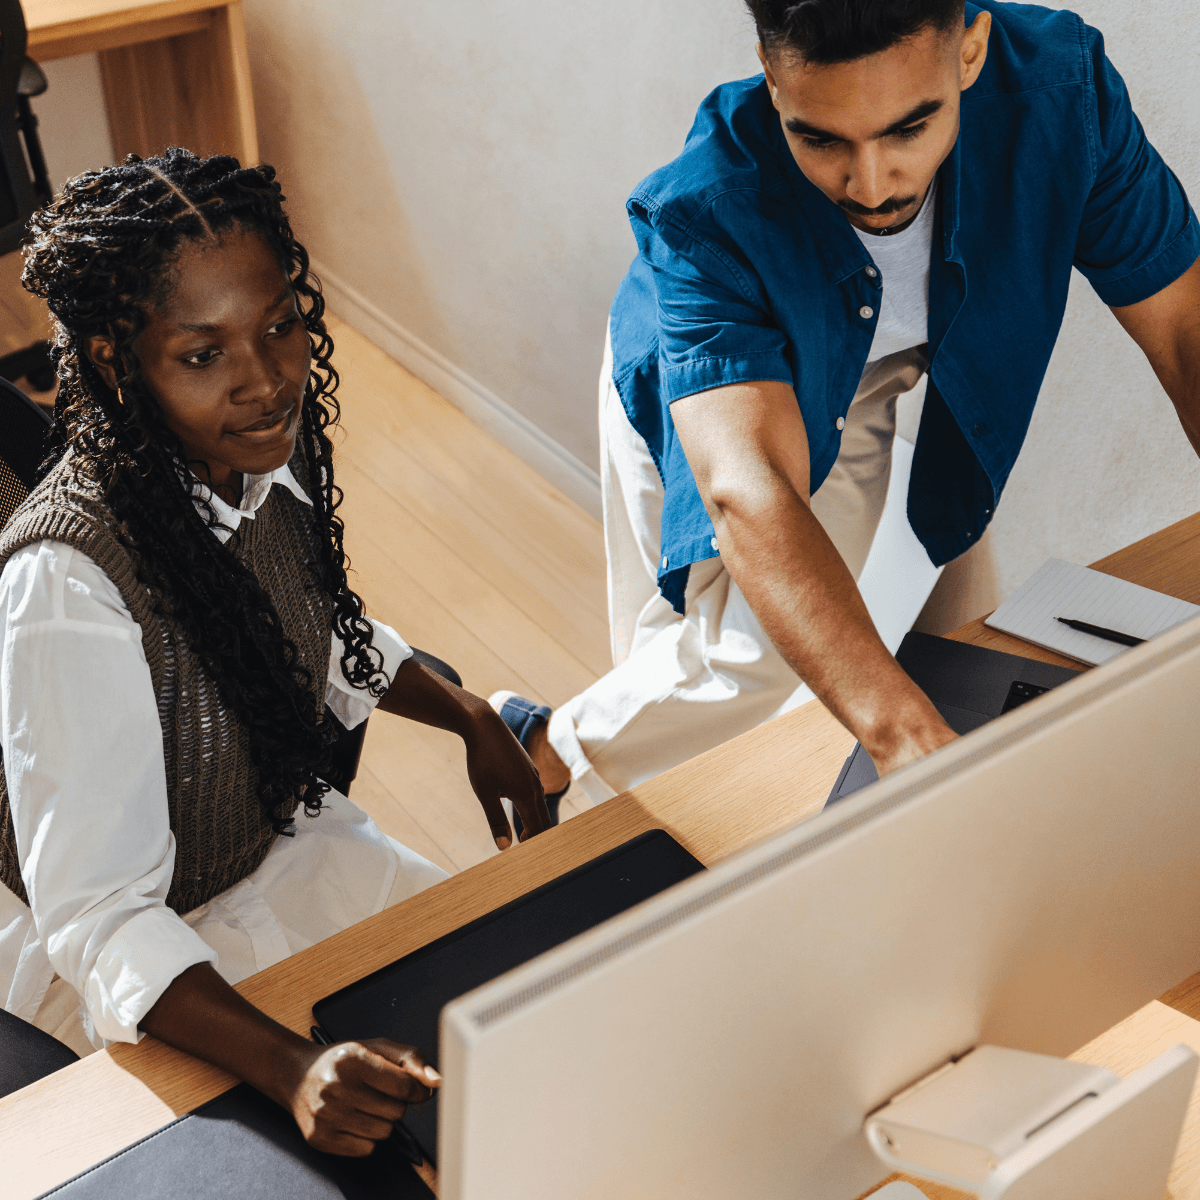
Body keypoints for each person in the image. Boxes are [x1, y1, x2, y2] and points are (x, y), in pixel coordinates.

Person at [492, 0, 1200, 815]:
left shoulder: (1063, 94)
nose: (870, 185)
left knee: (954, 626)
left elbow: (1183, 328)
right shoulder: (703, 210)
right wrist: (901, 737)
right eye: (821, 138)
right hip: (727, 381)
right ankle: (547, 750)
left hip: (894, 361)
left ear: (969, 52)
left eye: (910, 128)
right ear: (770, 71)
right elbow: (750, 494)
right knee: (738, 658)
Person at [0, 148, 550, 1156]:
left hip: (276, 850)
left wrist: (470, 715)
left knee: (527, 1037)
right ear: (120, 363)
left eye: (279, 326)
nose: (266, 380)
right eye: (203, 355)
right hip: (143, 957)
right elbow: (100, 914)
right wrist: (291, 1067)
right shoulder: (65, 585)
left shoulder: (252, 452)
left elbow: (323, 633)